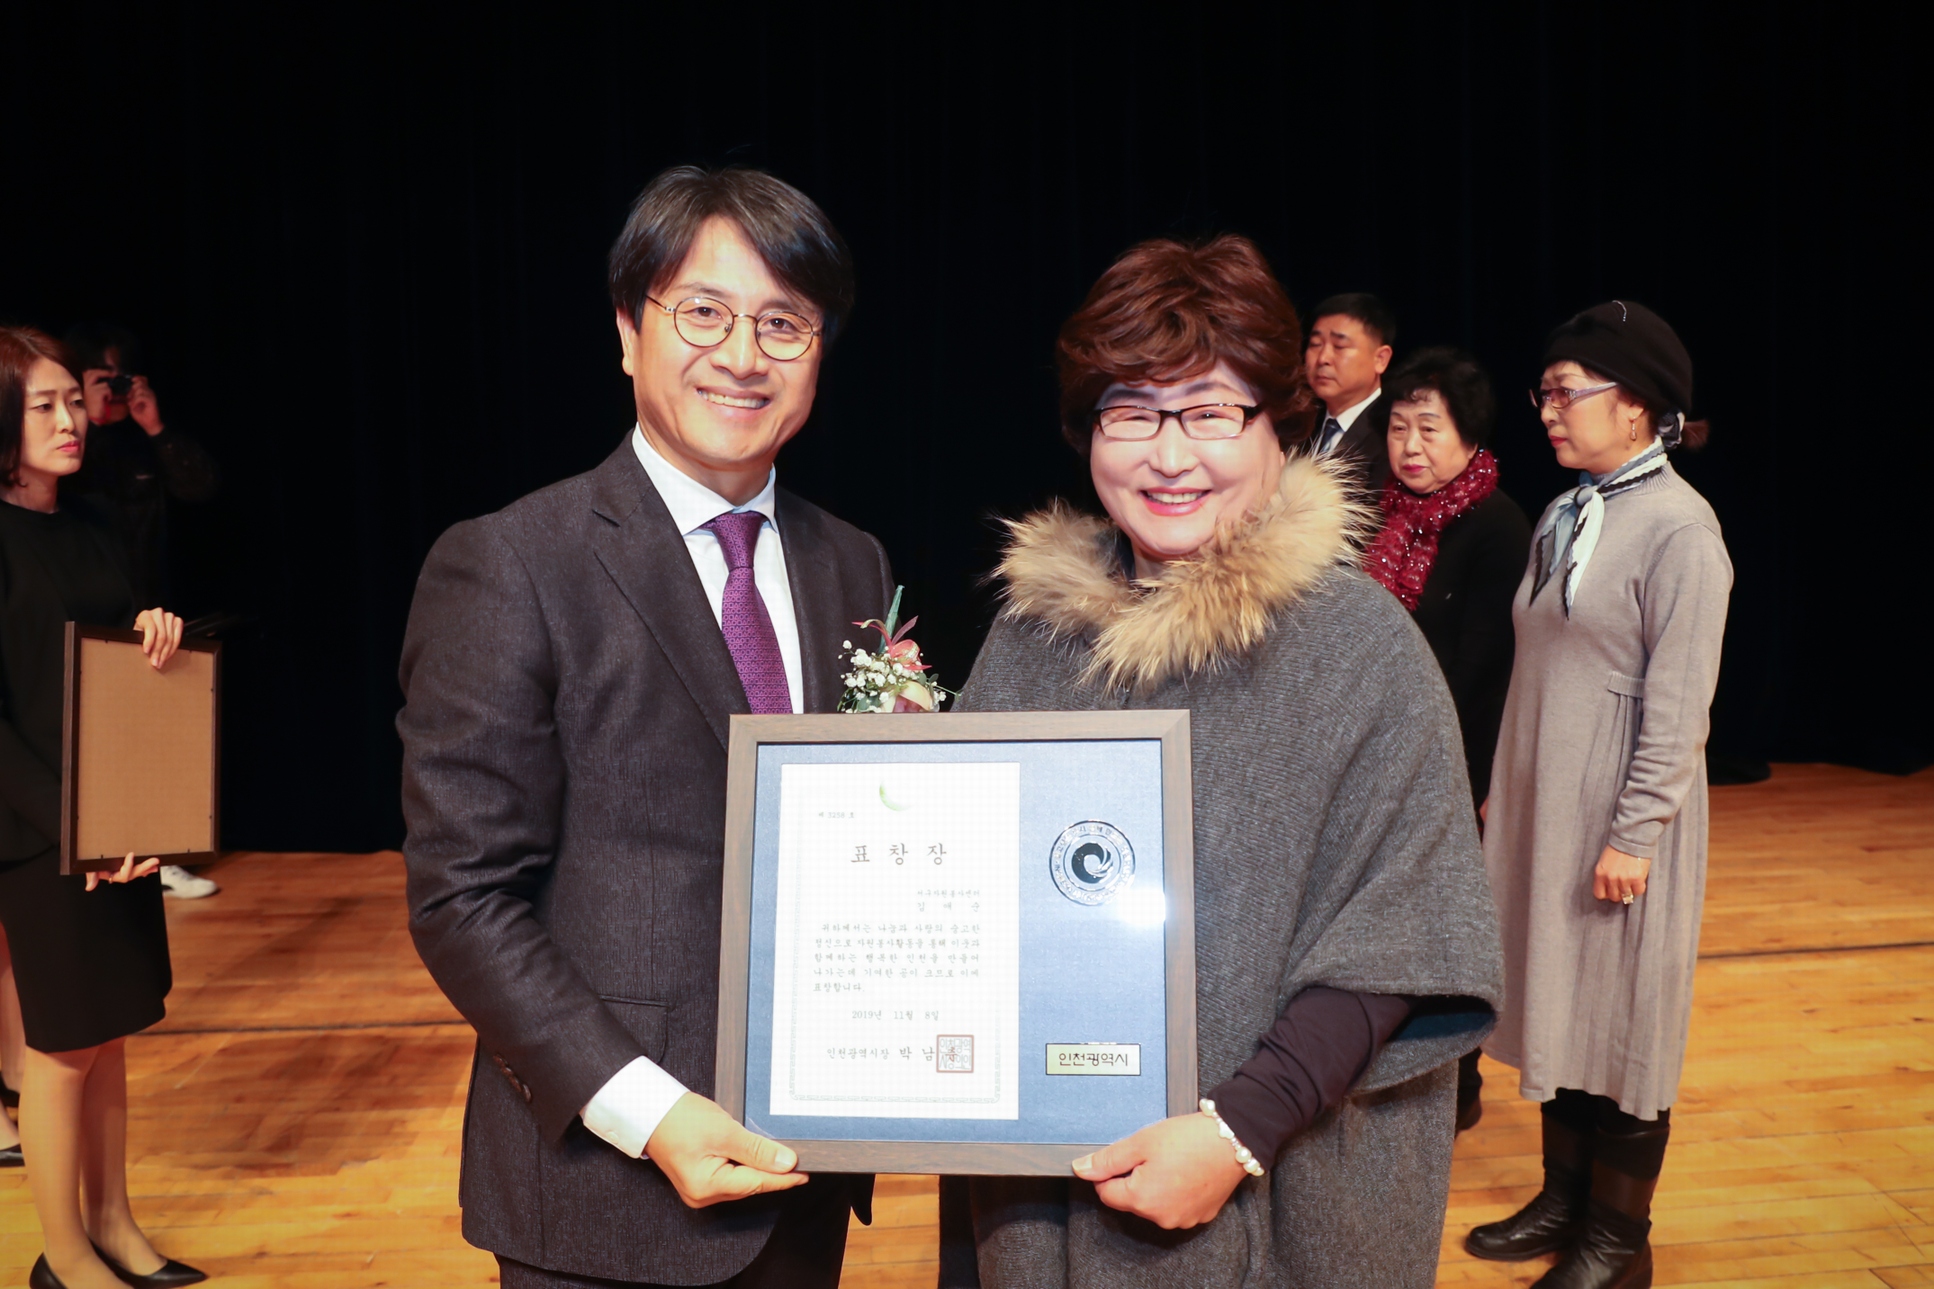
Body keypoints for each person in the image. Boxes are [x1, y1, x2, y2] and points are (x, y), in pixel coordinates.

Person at [938, 236, 1502, 1288]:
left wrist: (1240, 1127)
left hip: (1287, 1170)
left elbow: (1405, 930)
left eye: (1210, 411)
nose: (1168, 455)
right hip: (1045, 1178)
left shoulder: (1360, 647)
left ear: (1278, 427)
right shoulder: (1030, 640)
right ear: (1087, 430)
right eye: (1130, 412)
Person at [398, 166, 894, 1289]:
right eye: (703, 312)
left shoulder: (850, 560)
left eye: (783, 322)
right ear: (628, 333)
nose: (743, 354)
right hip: (607, 1190)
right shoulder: (512, 562)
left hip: (802, 1169)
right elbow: (461, 895)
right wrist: (648, 1109)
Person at [1469, 301, 1728, 1289]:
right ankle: (1563, 1198)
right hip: (1550, 813)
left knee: (1621, 1023)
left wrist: (1636, 830)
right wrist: (1506, 792)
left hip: (1618, 821)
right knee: (1561, 1001)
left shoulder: (1680, 529)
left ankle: (1617, 1241)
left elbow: (1680, 701)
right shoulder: (1565, 512)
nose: (1547, 409)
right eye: (1543, 391)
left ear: (1635, 406)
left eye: (1566, 392)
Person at [0, 326, 205, 1289]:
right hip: (39, 831)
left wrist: (154, 628)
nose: (70, 419)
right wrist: (72, 830)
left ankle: (115, 1225)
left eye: (72, 401)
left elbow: (112, 659)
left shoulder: (88, 521)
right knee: (61, 1046)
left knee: (111, 1031)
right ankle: (65, 1253)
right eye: (43, 405)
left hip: (111, 820)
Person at [1363, 347, 1531, 1133]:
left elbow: (1483, 666)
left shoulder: (1497, 525)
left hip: (1456, 755)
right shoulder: (1384, 512)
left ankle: (1456, 1083)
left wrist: (1440, 765)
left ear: (1469, 434)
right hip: (1380, 748)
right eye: (1399, 426)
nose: (1410, 445)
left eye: (1429, 428)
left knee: (1445, 922)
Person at [64, 323, 220, 902]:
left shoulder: (140, 442)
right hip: (90, 611)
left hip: (151, 604)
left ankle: (163, 856)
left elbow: (201, 486)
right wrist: (87, 417)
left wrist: (153, 425)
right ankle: (101, 852)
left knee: (156, 738)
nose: (115, 389)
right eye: (101, 379)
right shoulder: (74, 449)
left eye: (121, 377)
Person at [1304, 292, 1395, 489]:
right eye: (1315, 345)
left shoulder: (1392, 433)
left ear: (1380, 359)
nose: (1323, 358)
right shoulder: (1299, 425)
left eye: (1340, 346)